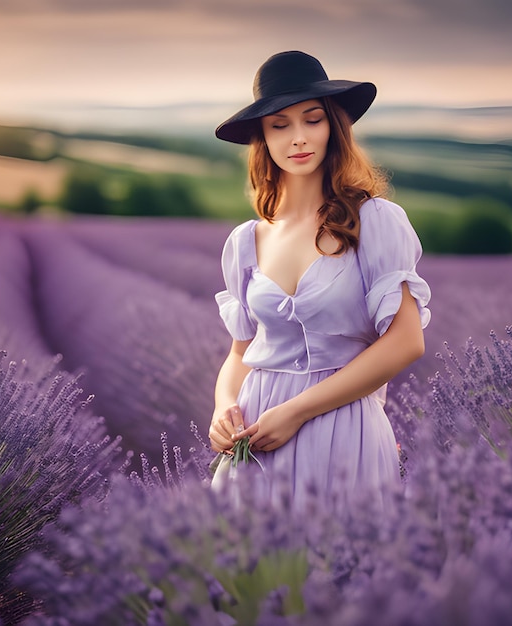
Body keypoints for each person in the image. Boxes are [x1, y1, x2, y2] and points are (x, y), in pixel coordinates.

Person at [209, 50, 431, 507]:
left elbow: (406, 340)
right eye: (280, 125)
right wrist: (223, 406)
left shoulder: (375, 221)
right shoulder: (245, 241)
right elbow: (241, 351)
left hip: (342, 427)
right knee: (249, 572)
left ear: (334, 126)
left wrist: (295, 412)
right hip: (255, 438)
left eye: (312, 120)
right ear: (263, 139)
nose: (298, 138)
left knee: (341, 566)